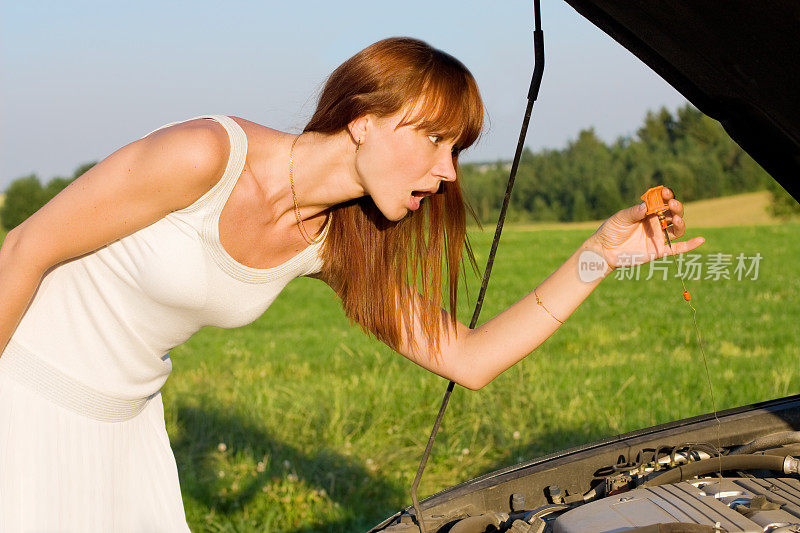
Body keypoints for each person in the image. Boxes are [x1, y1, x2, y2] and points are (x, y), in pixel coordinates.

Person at [0, 37, 704, 531]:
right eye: (434, 139)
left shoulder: (333, 244)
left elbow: (470, 358)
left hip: (125, 428)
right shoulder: (204, 156)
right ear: (362, 119)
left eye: (458, 149)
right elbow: (22, 250)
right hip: (21, 391)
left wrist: (600, 255)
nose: (449, 169)